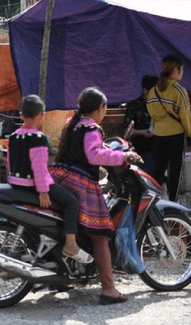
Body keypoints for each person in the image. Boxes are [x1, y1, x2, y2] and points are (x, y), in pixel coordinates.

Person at [49, 87, 139, 305]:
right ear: (100, 108)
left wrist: (108, 148)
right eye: (105, 108)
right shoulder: (91, 127)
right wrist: (124, 156)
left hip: (59, 176)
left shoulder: (73, 123)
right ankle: (108, 289)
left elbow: (88, 149)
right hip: (80, 183)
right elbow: (93, 155)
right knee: (100, 235)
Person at [7, 95, 91, 264]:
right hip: (34, 185)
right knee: (72, 202)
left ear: (21, 115)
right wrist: (43, 191)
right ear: (41, 115)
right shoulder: (38, 138)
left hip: (16, 185)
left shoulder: (14, 136)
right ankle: (70, 244)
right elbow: (39, 168)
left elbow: (9, 163)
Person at [146, 55, 191, 201]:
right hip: (176, 136)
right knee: (175, 172)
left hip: (159, 135)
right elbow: (185, 116)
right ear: (176, 70)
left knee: (158, 170)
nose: (182, 72)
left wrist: (157, 127)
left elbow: (152, 114)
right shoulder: (179, 91)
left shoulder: (153, 91)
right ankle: (173, 204)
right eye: (181, 69)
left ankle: (154, 202)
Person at [123, 75, 158, 175]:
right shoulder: (134, 106)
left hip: (157, 142)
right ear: (146, 91)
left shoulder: (159, 106)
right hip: (140, 144)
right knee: (148, 160)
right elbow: (127, 130)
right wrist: (142, 132)